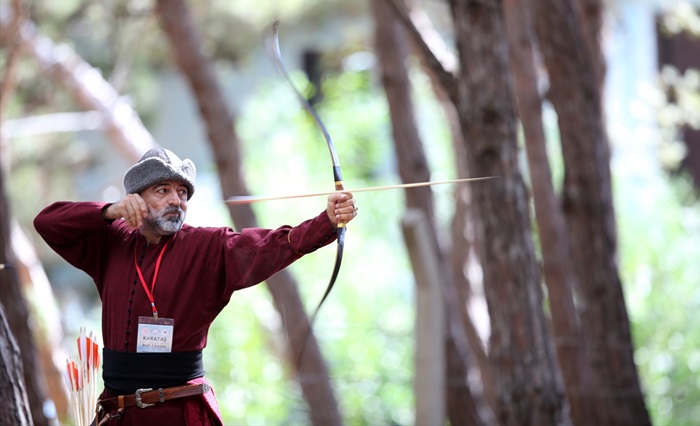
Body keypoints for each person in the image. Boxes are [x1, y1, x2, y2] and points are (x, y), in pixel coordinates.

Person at [33, 148, 357, 425]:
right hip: (119, 414)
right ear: (136, 199)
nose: (177, 200)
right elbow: (47, 222)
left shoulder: (208, 246)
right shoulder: (112, 242)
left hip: (180, 412)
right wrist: (108, 212)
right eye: (163, 190)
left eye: (183, 192)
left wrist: (326, 221)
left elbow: (271, 245)